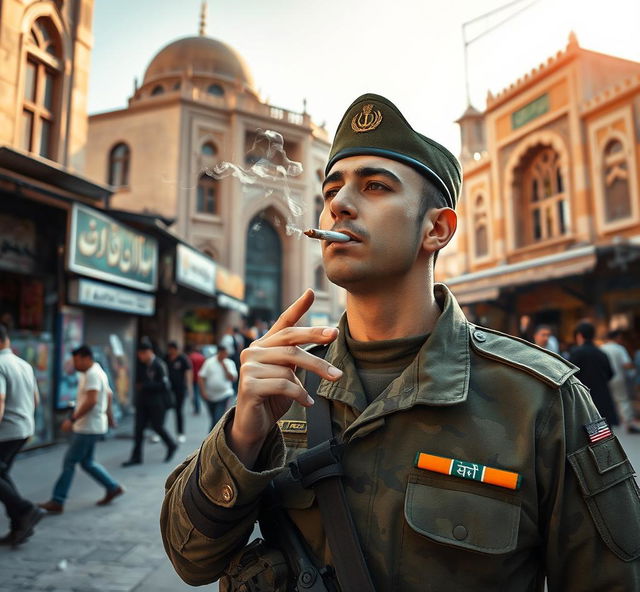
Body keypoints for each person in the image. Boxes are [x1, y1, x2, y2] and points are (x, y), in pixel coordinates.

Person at [161, 93, 640, 590]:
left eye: (374, 186)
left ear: (436, 228)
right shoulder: (287, 381)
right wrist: (243, 435)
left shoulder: (538, 401)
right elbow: (190, 561)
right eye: (331, 191)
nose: (338, 205)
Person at [39, 345, 123, 513]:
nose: (75, 364)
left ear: (86, 358)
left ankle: (58, 500)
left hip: (87, 426)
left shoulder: (92, 374)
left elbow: (92, 400)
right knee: (87, 462)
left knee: (70, 461)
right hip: (93, 425)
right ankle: (112, 487)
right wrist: (110, 418)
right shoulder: (97, 371)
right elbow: (108, 395)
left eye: (77, 360)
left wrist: (72, 419)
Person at [0, 325, 44, 546]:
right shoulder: (24, 364)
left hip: (6, 430)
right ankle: (19, 524)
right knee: (2, 474)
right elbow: (35, 399)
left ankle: (26, 510)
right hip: (24, 427)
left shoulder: (0, 364)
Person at [122, 341, 177, 466]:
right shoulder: (140, 365)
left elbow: (164, 384)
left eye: (142, 354)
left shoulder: (159, 364)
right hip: (142, 402)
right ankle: (136, 456)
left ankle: (171, 445)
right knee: (138, 429)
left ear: (148, 352)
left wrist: (146, 386)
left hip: (157, 403)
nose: (140, 357)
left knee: (157, 427)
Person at [569, 322, 619, 427]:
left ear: (579, 335)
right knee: (603, 436)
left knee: (586, 436)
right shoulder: (601, 353)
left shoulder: (576, 353)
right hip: (602, 397)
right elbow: (610, 374)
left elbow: (569, 375)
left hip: (583, 398)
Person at [601, 330, 640, 433]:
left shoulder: (602, 348)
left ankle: (606, 423)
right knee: (622, 400)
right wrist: (633, 368)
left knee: (607, 400)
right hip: (618, 378)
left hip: (605, 378)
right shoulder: (619, 349)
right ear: (617, 337)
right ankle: (628, 423)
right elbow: (626, 364)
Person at [198, 346, 236, 431]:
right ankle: (214, 437)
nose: (224, 355)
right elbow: (201, 377)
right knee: (213, 418)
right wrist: (203, 391)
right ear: (219, 352)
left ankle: (210, 438)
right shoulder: (209, 362)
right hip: (210, 395)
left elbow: (233, 378)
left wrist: (225, 368)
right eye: (223, 353)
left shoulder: (229, 363)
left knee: (217, 418)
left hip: (224, 394)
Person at [164, 342, 193, 443]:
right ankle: (160, 432)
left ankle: (180, 433)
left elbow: (188, 372)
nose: (170, 351)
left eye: (172, 349)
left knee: (178, 411)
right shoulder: (166, 357)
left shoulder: (183, 359)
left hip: (180, 388)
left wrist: (189, 388)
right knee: (163, 409)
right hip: (167, 389)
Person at [185, 344, 205, 415]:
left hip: (193, 378)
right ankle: (197, 407)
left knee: (195, 394)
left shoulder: (190, 357)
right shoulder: (202, 357)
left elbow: (189, 369)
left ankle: (197, 408)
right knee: (198, 393)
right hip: (201, 377)